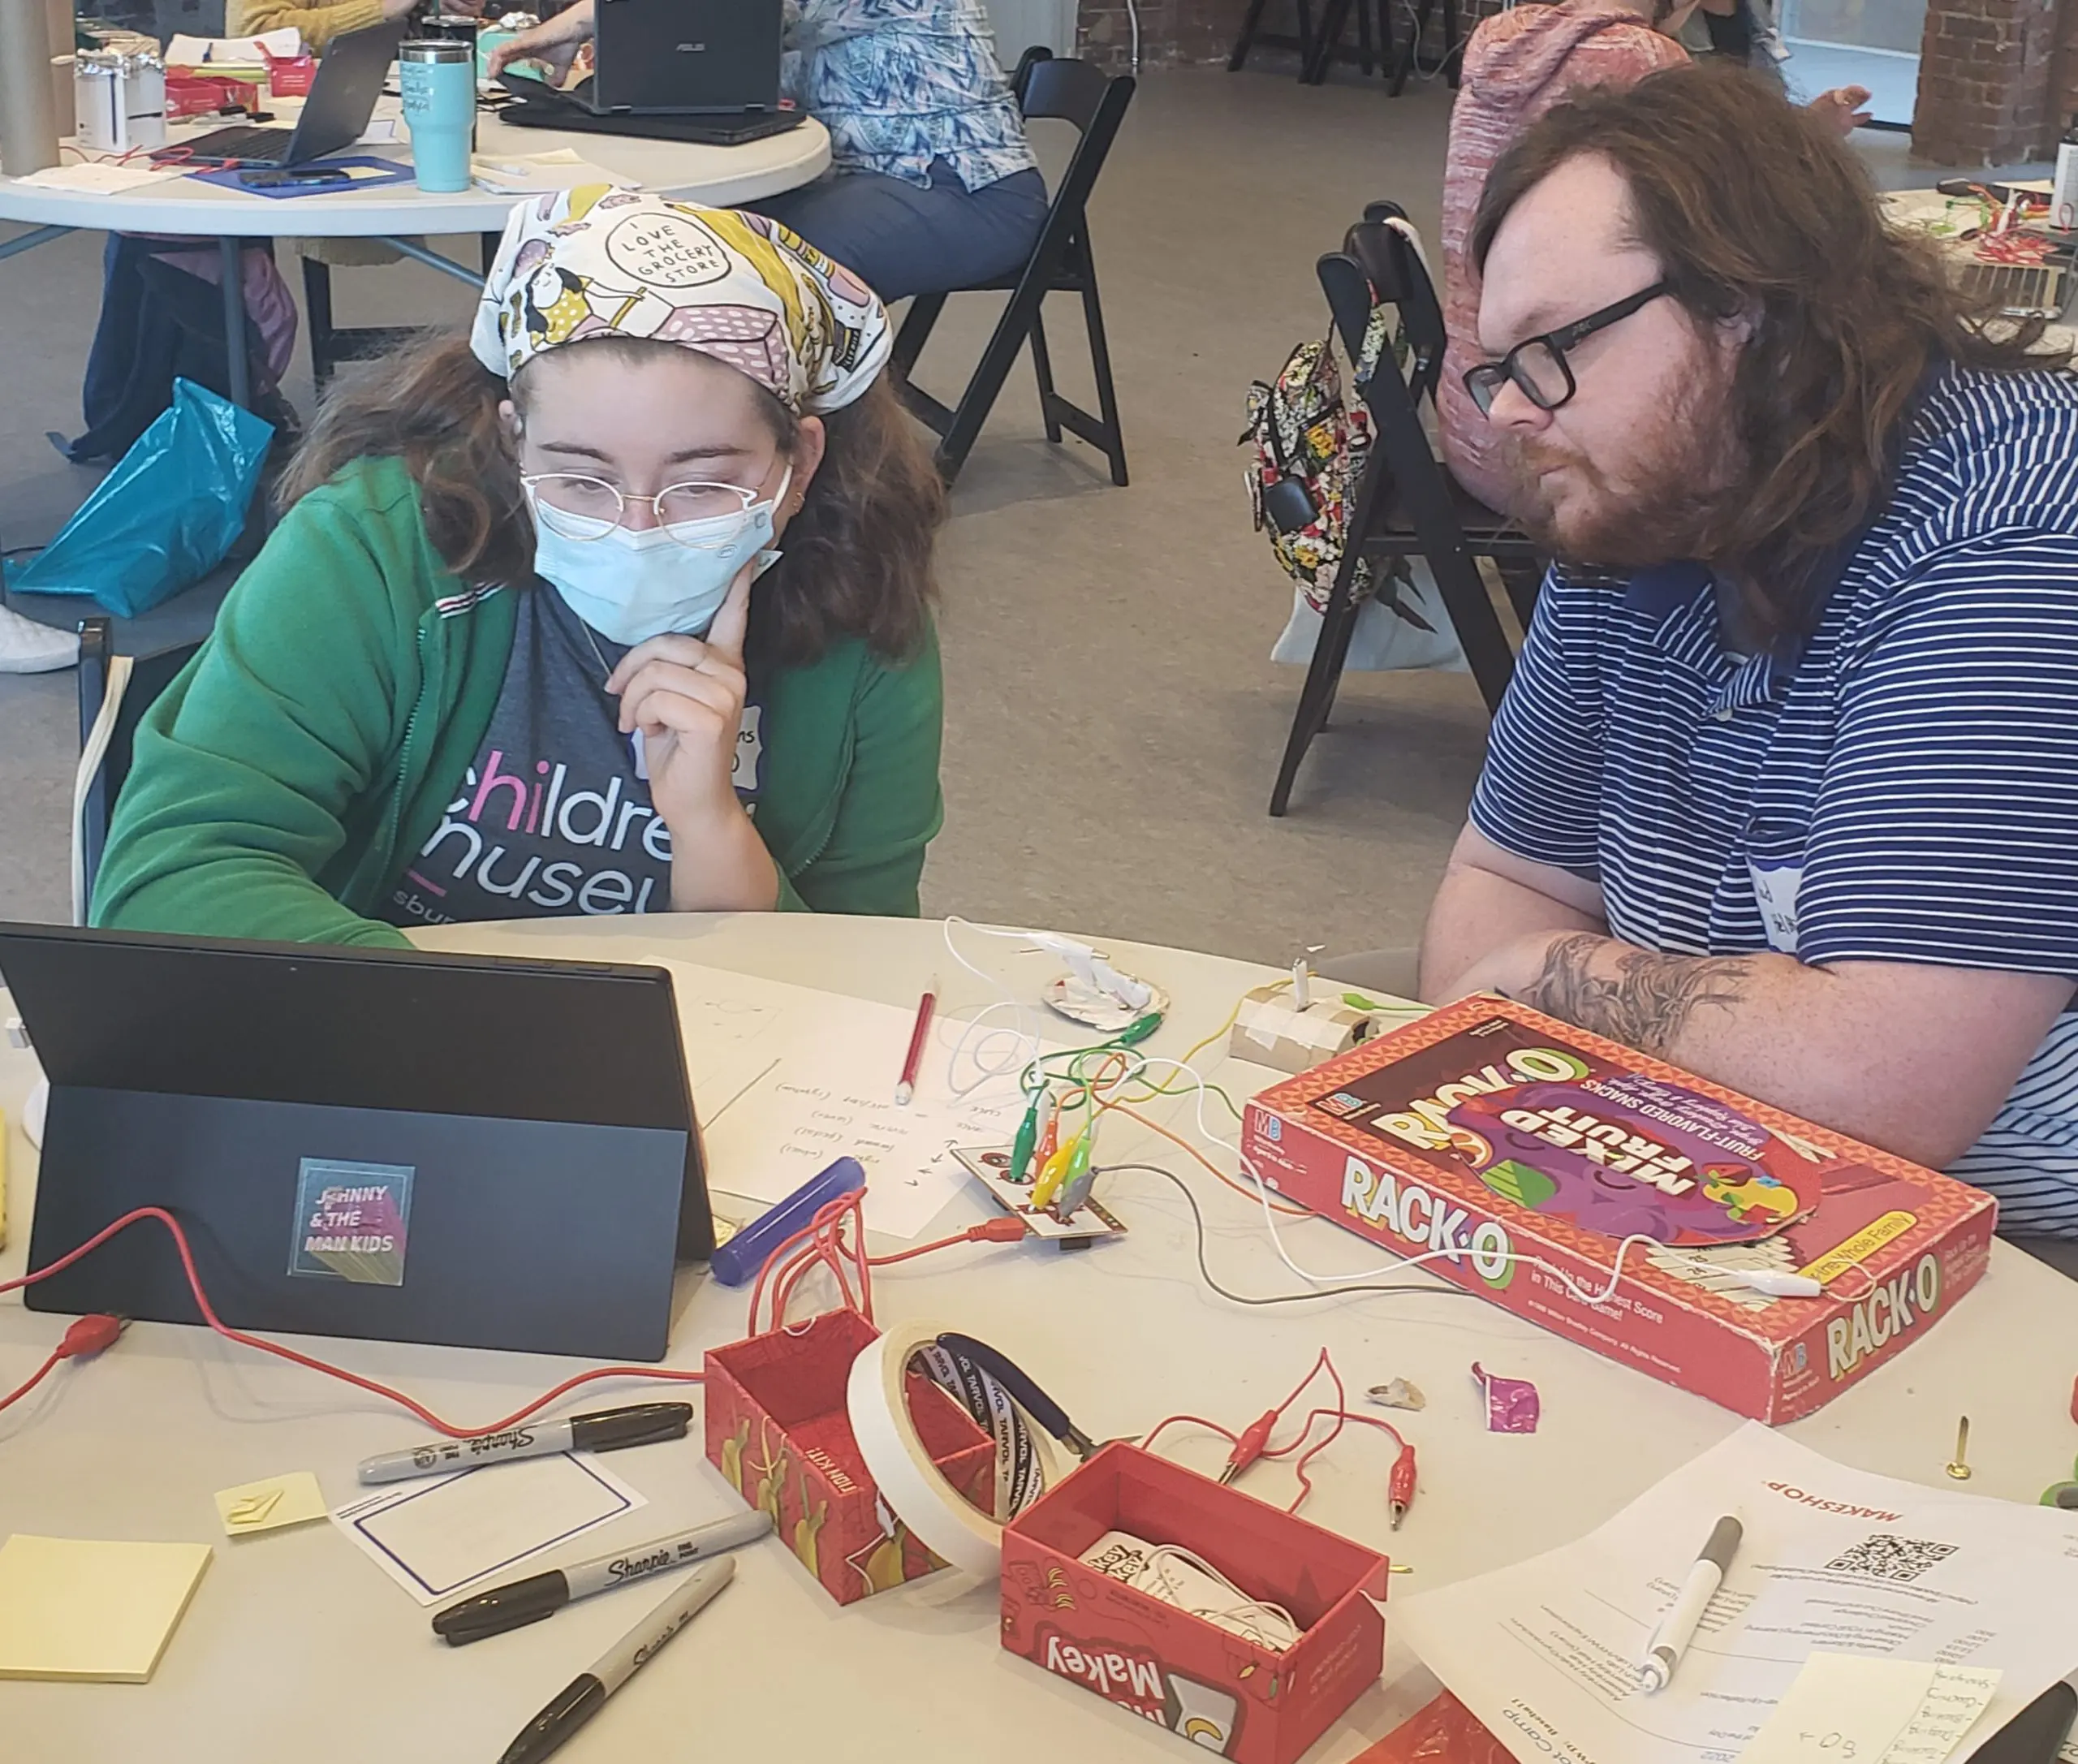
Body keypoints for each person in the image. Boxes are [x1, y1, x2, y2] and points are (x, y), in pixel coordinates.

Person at [1418, 64, 2078, 1240]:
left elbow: (1888, 1081)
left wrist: (1540, 977)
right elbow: (1496, 895)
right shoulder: (1640, 506)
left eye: (1551, 348)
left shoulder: (2012, 534)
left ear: (1749, 307)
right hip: (1713, 1166)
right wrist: (1544, 981)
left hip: (2016, 1250)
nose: (1513, 412)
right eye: (1502, 369)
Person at [92, 188, 947, 945]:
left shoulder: (861, 619)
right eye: (581, 478)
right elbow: (174, 880)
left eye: (700, 484)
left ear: (796, 464)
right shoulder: (375, 547)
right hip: (385, 1060)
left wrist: (713, 833)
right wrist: (498, 1039)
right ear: (513, 440)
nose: (636, 527)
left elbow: (863, 977)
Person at [1437, 0, 1869, 511]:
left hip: (1474, 410)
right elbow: (1742, 234)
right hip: (1549, 453)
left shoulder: (1504, 44)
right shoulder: (1638, 59)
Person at [488, 0, 1047, 304]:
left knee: (758, 269)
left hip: (964, 192)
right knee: (682, 241)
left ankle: (804, 462)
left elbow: (729, 12)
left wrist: (586, 18)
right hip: (852, 181)